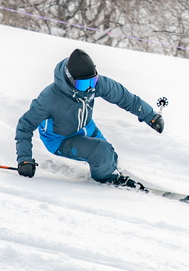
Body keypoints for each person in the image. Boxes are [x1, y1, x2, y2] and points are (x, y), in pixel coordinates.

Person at [15, 48, 163, 186]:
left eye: (93, 81)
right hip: (60, 139)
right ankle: (110, 180)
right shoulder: (50, 99)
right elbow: (25, 126)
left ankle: (110, 171)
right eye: (84, 84)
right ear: (70, 79)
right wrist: (24, 160)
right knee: (101, 151)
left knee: (110, 157)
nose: (90, 88)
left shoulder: (95, 85)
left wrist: (151, 116)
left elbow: (125, 98)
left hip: (85, 126)